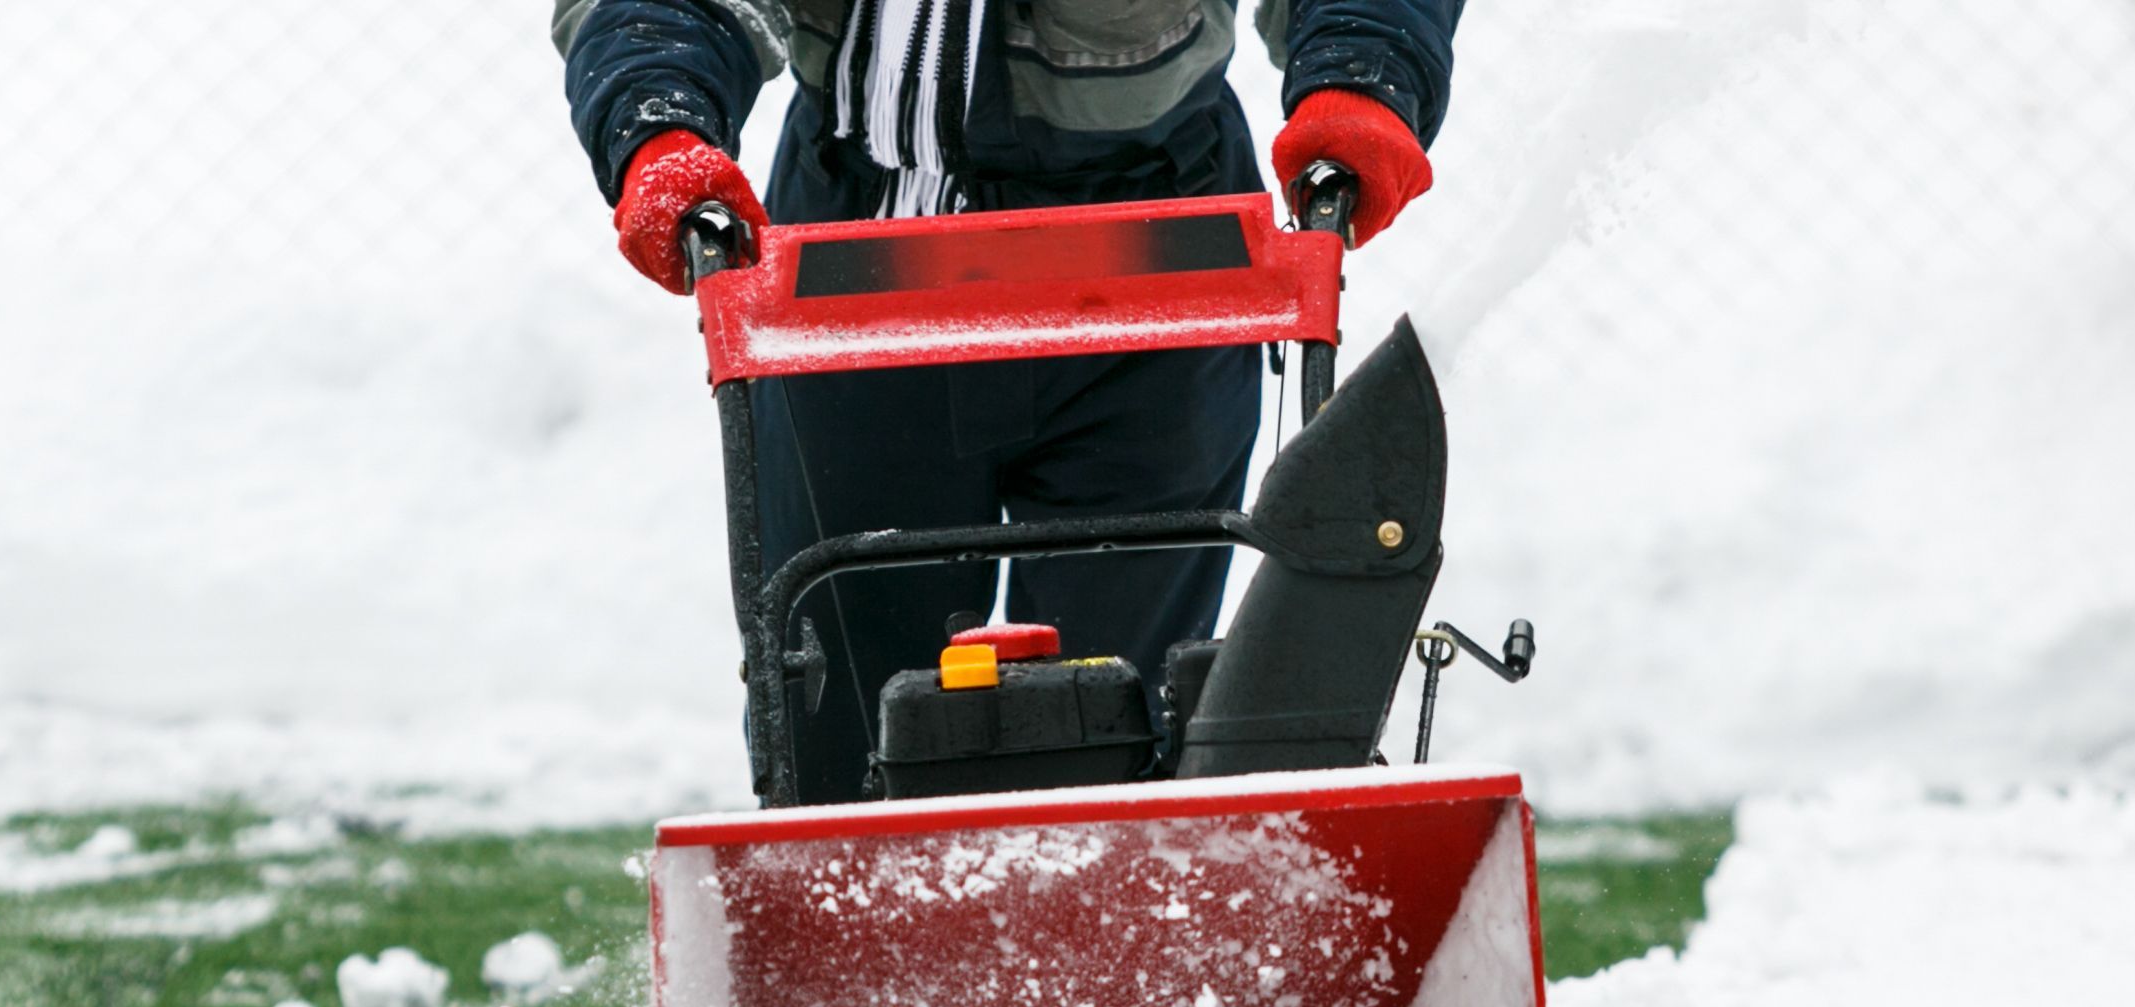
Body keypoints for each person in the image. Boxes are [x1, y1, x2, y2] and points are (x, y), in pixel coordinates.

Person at [553, 0, 1462, 803]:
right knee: (831, 723)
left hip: (1155, 254)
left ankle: (1118, 959)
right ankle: (839, 961)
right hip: (853, 255)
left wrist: (1361, 80)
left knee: (1123, 722)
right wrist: (659, 123)